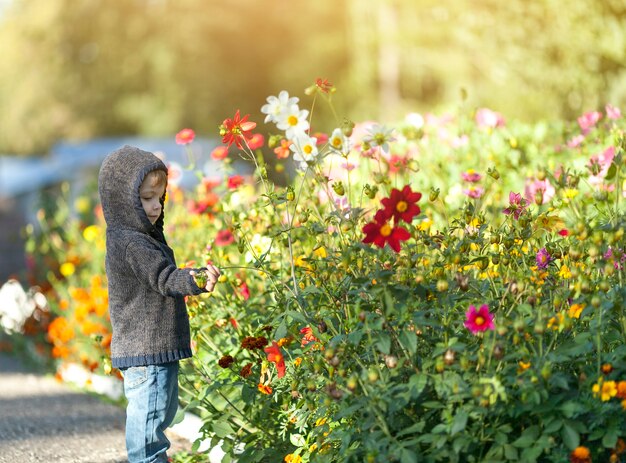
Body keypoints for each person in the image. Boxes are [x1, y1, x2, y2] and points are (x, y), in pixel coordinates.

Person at [98, 145, 220, 463]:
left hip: (154, 351)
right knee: (149, 437)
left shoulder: (143, 236)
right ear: (122, 200)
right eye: (146, 198)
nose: (155, 207)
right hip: (147, 353)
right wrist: (193, 279)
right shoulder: (131, 241)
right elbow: (163, 278)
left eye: (159, 197)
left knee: (157, 421)